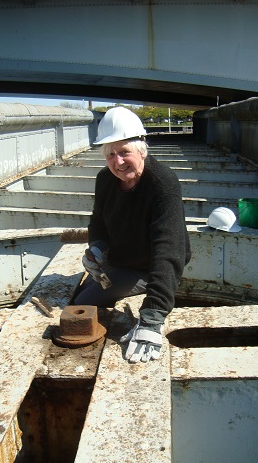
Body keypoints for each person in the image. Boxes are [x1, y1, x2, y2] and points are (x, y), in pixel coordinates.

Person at [74, 107, 191, 363]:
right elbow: (98, 220)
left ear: (141, 149)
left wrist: (152, 318)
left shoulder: (162, 185)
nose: (118, 162)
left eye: (125, 152)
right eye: (111, 154)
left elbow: (168, 251)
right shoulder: (105, 179)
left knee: (82, 303)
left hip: (147, 268)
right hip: (119, 259)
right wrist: (97, 248)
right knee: (80, 297)